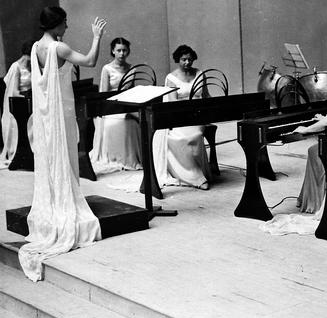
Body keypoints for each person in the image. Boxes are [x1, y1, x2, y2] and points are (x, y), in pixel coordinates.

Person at [18, 6, 106, 281]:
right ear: (56, 25)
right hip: (61, 112)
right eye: (65, 23)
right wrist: (96, 36)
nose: (67, 27)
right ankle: (65, 207)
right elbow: (90, 61)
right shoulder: (59, 48)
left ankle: (55, 204)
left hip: (46, 115)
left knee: (53, 160)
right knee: (65, 157)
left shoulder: (35, 48)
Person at [261, 45, 327, 235]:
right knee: (314, 149)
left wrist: (306, 128)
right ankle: (314, 200)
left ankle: (314, 204)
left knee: (313, 150)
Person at [152, 44, 212, 190]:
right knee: (178, 138)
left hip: (198, 116)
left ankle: (196, 174)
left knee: (196, 134)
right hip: (180, 116)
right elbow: (173, 104)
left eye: (190, 60)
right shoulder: (171, 77)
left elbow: (206, 96)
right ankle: (191, 176)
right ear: (178, 59)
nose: (187, 63)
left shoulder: (199, 73)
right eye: (184, 59)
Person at [90, 37, 142, 172]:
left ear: (128, 51)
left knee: (136, 120)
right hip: (110, 108)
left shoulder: (132, 69)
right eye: (118, 50)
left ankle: (132, 158)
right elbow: (103, 94)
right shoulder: (107, 69)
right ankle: (117, 158)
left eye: (124, 50)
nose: (121, 54)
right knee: (123, 121)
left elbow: (133, 92)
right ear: (113, 51)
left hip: (127, 105)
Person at [0, 41, 34, 167]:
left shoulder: (30, 67)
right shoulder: (16, 67)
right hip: (18, 103)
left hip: (27, 101)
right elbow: (14, 92)